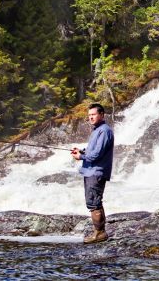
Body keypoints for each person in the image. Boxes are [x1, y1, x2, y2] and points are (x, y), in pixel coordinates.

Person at [71, 103, 114, 244]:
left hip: (96, 172)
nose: (90, 117)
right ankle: (99, 232)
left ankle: (100, 233)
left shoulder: (104, 131)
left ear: (102, 115)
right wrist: (82, 151)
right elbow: (93, 150)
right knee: (94, 202)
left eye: (93, 115)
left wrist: (81, 157)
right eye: (89, 115)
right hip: (91, 171)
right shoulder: (97, 130)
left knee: (94, 202)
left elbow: (97, 154)